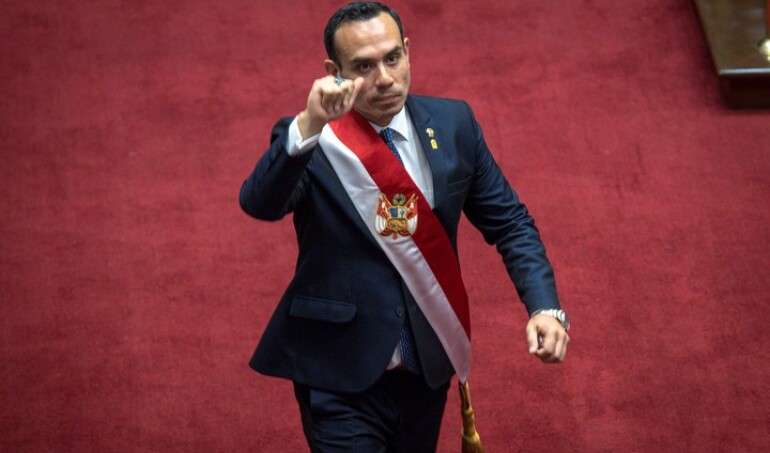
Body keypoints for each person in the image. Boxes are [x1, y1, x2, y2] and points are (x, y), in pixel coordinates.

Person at [239, 2, 570, 451]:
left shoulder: (454, 124)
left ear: (408, 51)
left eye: (392, 58)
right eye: (364, 66)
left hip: (425, 370)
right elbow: (260, 204)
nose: (385, 79)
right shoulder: (313, 138)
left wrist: (545, 307)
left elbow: (510, 222)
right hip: (339, 375)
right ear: (334, 72)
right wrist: (310, 123)